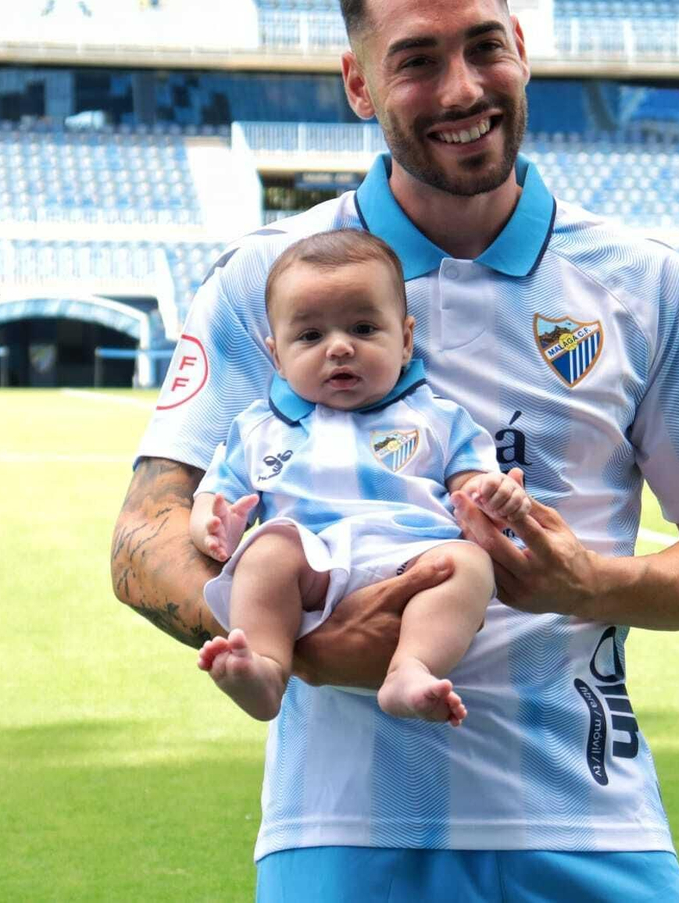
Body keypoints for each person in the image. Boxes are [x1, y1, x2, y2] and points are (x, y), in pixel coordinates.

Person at [112, 0, 679, 902]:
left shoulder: (643, 284)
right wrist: (298, 642)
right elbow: (141, 534)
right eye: (416, 61)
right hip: (342, 824)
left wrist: (586, 581)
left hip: (587, 824)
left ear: (521, 50)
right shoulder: (266, 279)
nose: (462, 88)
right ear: (358, 85)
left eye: (483, 47)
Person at [189, 229, 530, 726]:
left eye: (365, 329)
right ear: (277, 355)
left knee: (469, 565)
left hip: (412, 557)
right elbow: (215, 497)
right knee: (264, 555)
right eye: (310, 336)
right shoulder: (258, 428)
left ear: (406, 339)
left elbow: (471, 483)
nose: (340, 348)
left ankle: (410, 667)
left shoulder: (437, 417)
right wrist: (213, 525)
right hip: (311, 561)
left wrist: (491, 494)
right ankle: (264, 667)